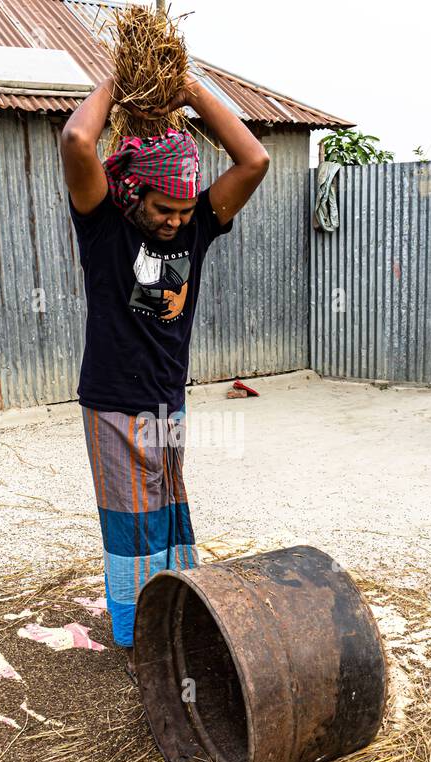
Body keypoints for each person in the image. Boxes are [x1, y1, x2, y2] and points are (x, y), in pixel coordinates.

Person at [59, 73, 270, 682]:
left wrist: (190, 89)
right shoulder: (103, 224)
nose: (177, 221)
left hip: (167, 398)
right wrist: (120, 82)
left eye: (184, 209)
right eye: (164, 209)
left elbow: (252, 158)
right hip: (113, 400)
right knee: (130, 521)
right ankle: (136, 634)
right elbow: (78, 138)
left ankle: (174, 612)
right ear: (132, 196)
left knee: (169, 509)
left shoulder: (199, 224)